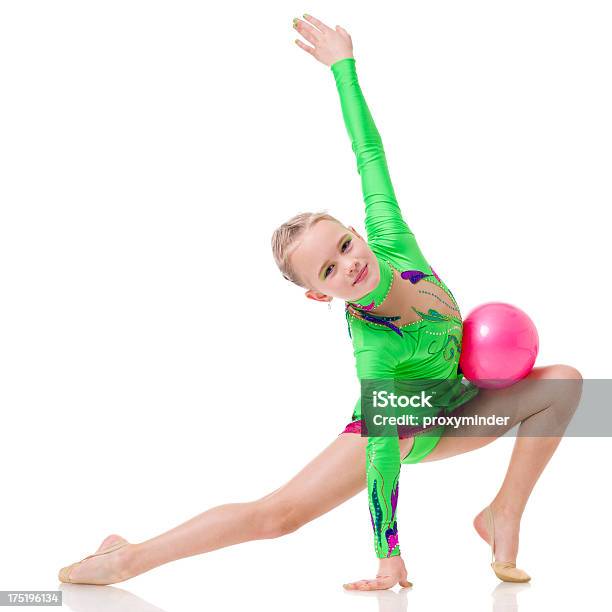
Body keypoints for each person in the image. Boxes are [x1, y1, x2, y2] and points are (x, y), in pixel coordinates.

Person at [58, 14, 583, 590]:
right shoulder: (374, 345)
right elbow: (384, 452)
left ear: (358, 230)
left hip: (462, 402)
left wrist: (343, 66)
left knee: (567, 383)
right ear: (319, 293)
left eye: (344, 244)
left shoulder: (391, 236)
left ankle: (502, 514)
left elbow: (368, 152)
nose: (349, 263)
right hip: (407, 428)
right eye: (330, 270)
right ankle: (127, 559)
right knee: (276, 517)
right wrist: (390, 552)